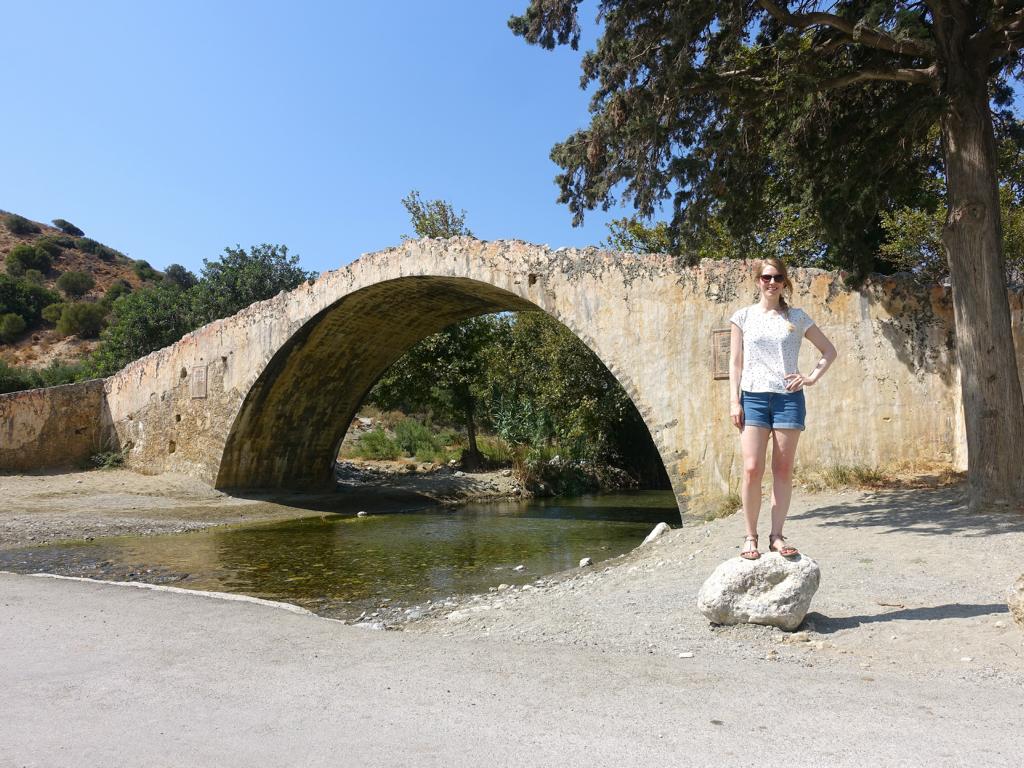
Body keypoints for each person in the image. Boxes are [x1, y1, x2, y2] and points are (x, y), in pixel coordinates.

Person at [728, 259, 837, 560]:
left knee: (783, 469)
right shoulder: (743, 317)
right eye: (766, 277)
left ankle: (777, 535)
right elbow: (735, 362)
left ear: (784, 282)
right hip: (753, 398)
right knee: (752, 469)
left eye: (777, 277)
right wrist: (734, 401)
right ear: (758, 280)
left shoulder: (797, 317)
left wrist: (811, 377)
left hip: (789, 399)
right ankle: (751, 537)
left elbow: (829, 351)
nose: (771, 282)